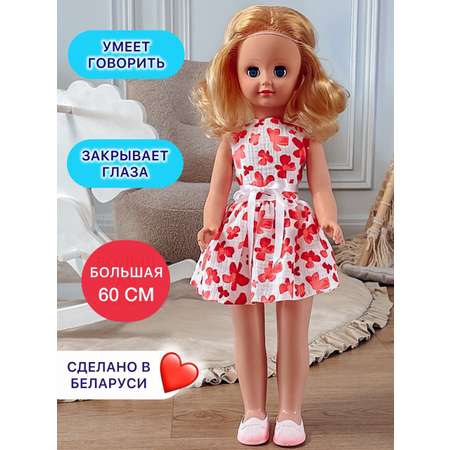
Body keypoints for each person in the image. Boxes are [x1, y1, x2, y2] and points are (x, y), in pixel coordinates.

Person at [190, 5, 347, 446]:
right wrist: (210, 224)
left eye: (280, 70)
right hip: (242, 233)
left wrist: (328, 219)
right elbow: (219, 188)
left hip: (292, 233)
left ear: (300, 76)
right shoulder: (234, 134)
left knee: (295, 329)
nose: (266, 81)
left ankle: (291, 412)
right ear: (234, 75)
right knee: (246, 328)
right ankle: (254, 412)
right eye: (253, 70)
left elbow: (320, 187)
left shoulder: (305, 133)